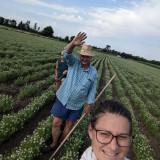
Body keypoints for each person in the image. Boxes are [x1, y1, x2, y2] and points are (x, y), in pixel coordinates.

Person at [42, 32, 98, 153]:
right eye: (82, 56)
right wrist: (73, 43)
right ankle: (53, 144)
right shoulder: (74, 63)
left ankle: (60, 145)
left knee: (69, 125)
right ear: (80, 55)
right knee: (56, 122)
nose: (84, 58)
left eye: (87, 57)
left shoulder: (93, 73)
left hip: (77, 104)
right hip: (63, 98)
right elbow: (66, 53)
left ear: (90, 57)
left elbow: (92, 90)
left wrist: (89, 104)